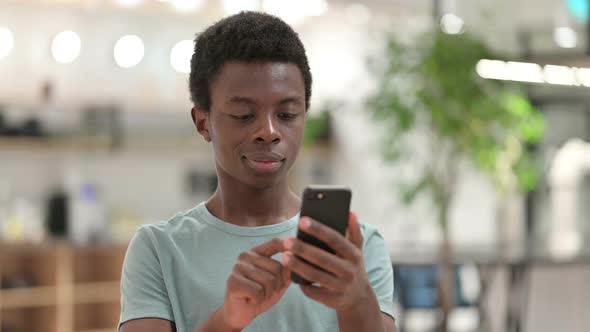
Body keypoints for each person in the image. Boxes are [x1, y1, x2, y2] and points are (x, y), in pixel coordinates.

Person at [119, 11, 395, 332]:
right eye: (244, 114)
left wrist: (356, 300)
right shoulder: (159, 249)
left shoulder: (357, 249)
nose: (268, 131)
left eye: (287, 114)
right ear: (203, 122)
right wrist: (226, 321)